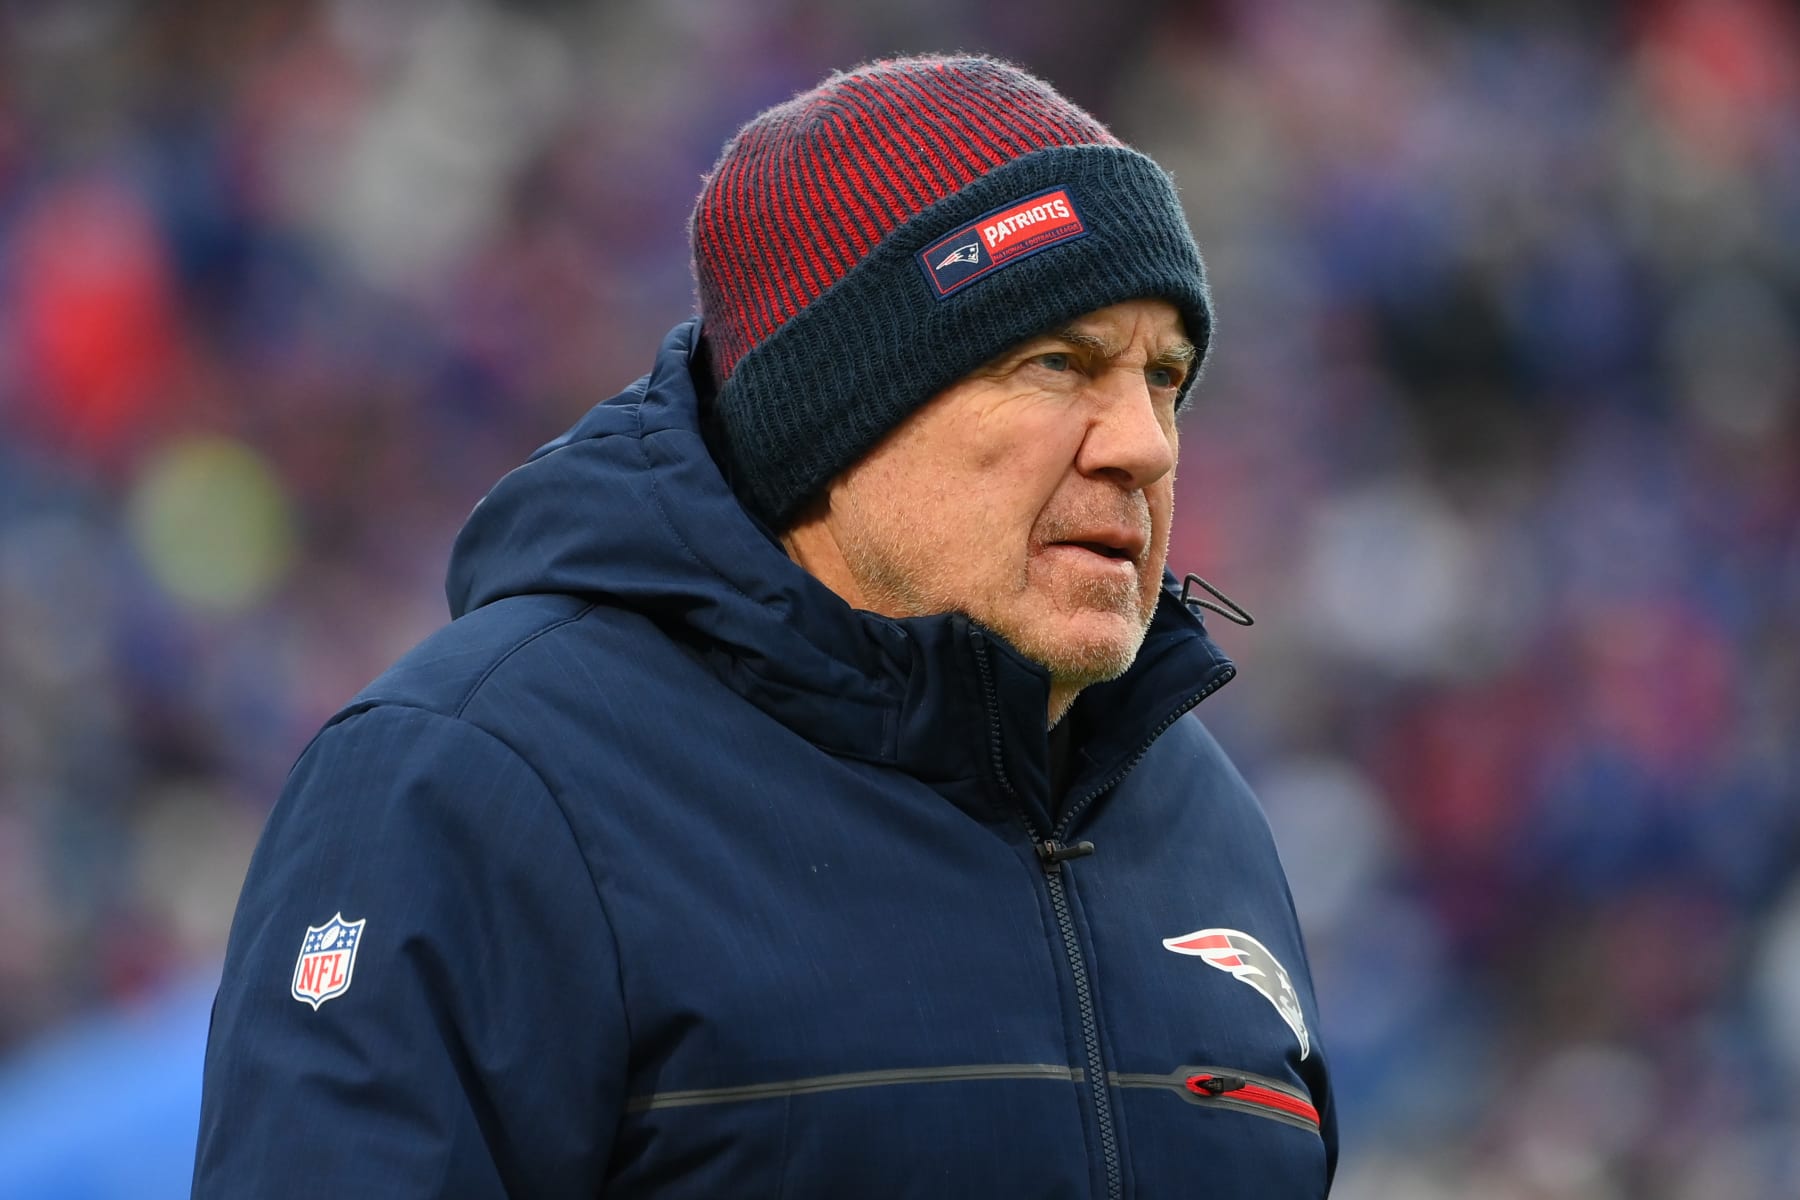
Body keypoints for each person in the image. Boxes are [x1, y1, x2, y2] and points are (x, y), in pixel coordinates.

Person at [192, 54, 1337, 1198]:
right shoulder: (474, 785)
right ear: (835, 417)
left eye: (1166, 380)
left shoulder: (1204, 814)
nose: (1142, 443)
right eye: (1057, 362)